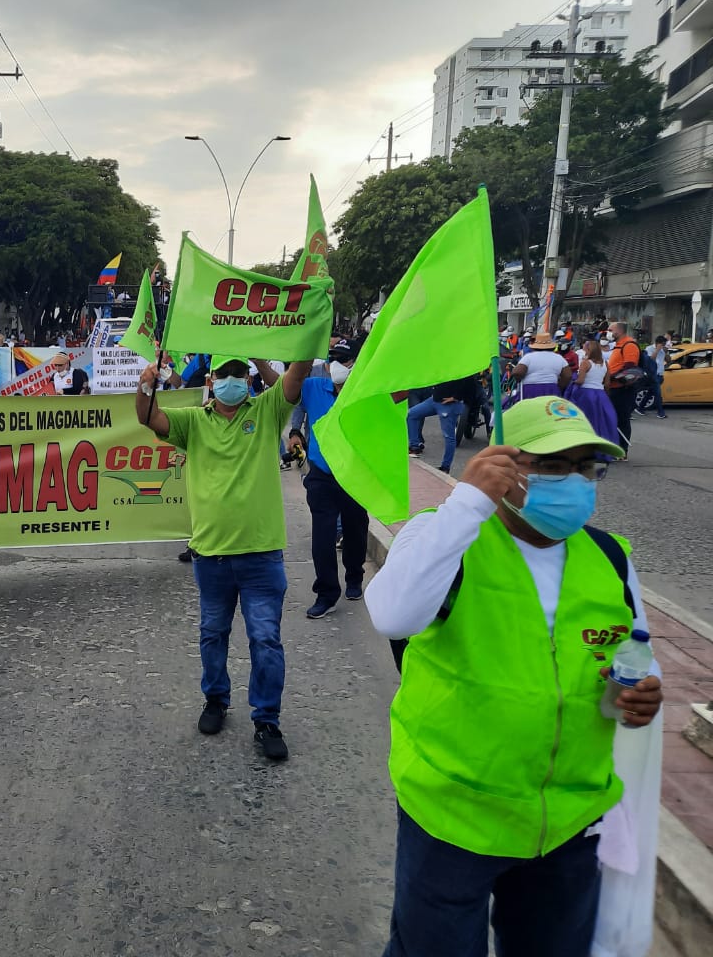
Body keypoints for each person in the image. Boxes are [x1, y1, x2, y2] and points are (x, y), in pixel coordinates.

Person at [366, 396, 662, 957]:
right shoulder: (443, 536)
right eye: (552, 466)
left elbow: (630, 655)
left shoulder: (610, 557)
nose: (575, 482)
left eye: (587, 467)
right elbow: (392, 614)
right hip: (454, 817)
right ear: (504, 466)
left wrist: (640, 693)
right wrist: (467, 502)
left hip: (568, 823)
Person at [137, 354, 311, 761]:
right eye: (224, 373)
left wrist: (292, 334)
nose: (232, 379)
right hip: (211, 556)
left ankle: (267, 718)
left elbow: (296, 374)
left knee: (265, 639)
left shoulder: (267, 411)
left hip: (261, 555)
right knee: (212, 634)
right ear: (211, 380)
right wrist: (146, 386)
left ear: (248, 377)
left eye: (239, 372)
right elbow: (151, 418)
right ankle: (215, 699)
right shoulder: (194, 422)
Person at [287, 339, 369, 619]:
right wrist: (295, 431)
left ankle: (355, 577)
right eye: (333, 358)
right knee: (322, 534)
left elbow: (400, 397)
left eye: (344, 360)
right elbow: (289, 391)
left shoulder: (366, 391)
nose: (337, 365)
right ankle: (326, 593)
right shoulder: (313, 386)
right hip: (321, 473)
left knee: (356, 528)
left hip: (355, 473)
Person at [407, 375, 475, 474]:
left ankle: (445, 467)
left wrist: (456, 397)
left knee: (449, 436)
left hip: (448, 404)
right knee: (411, 415)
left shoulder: (459, 363)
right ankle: (414, 446)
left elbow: (469, 379)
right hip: (434, 399)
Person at [563, 339, 617, 452]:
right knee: (600, 421)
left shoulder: (585, 363)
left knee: (586, 421)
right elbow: (607, 383)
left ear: (588, 350)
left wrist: (573, 381)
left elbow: (581, 380)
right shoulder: (605, 363)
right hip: (601, 394)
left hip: (586, 394)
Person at [605, 321, 643, 459]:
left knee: (622, 420)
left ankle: (622, 451)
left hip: (622, 389)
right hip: (613, 388)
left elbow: (630, 368)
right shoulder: (618, 346)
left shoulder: (629, 345)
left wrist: (612, 376)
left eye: (610, 329)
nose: (607, 332)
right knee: (612, 419)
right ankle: (614, 448)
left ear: (619, 331)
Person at [511, 333, 571, 400]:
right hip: (551, 388)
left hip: (531, 389)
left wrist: (519, 380)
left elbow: (517, 372)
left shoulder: (528, 357)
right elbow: (567, 375)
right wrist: (559, 386)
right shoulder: (559, 358)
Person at [644, 334, 668, 419]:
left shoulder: (662, 350)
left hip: (660, 374)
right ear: (658, 343)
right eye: (662, 344)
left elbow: (668, 360)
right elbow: (650, 360)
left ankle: (640, 408)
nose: (663, 346)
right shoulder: (649, 349)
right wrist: (657, 350)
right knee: (658, 394)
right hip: (653, 374)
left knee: (650, 392)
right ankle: (660, 412)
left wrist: (666, 352)